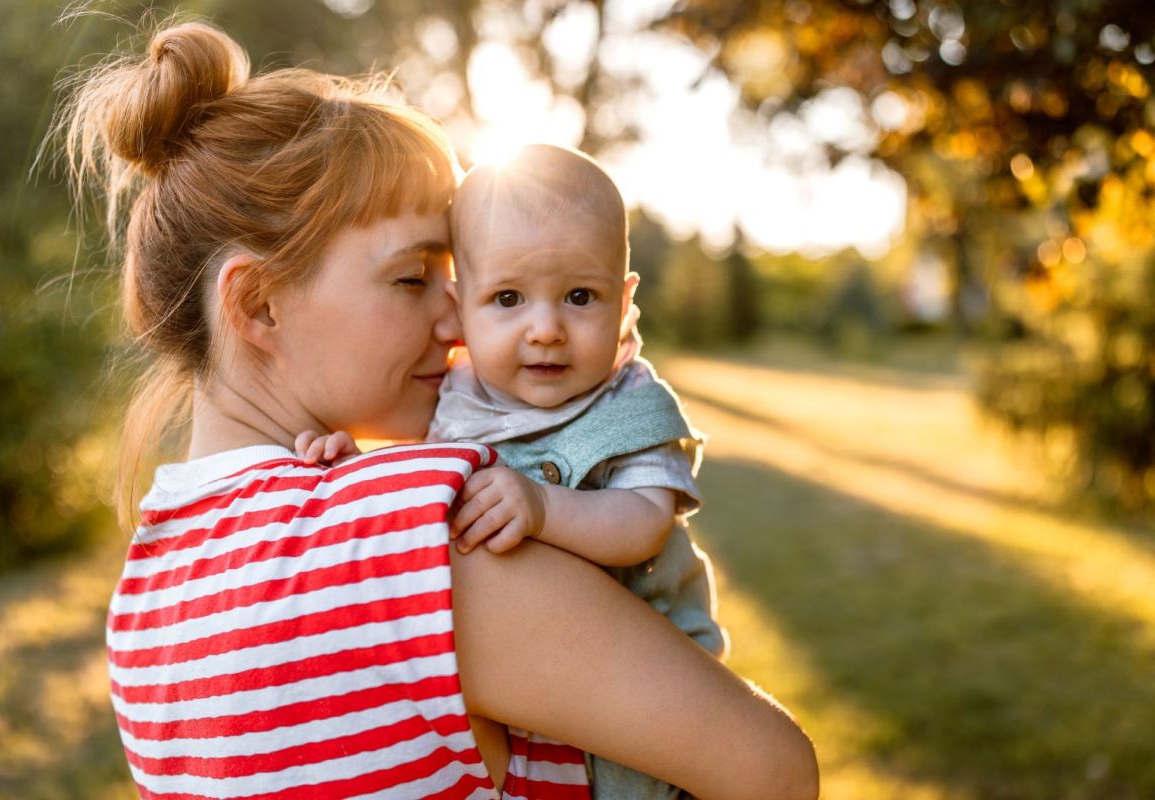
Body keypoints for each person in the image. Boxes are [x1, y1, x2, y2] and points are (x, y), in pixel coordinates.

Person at [60, 20, 818, 800]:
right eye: (411, 277)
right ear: (258, 305)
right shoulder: (434, 541)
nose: (458, 326)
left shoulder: (145, 596)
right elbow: (774, 772)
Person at [302, 144, 724, 799]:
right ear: (460, 308)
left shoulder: (628, 403)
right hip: (529, 708)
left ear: (624, 300)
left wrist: (544, 507)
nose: (547, 328)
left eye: (580, 296)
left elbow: (641, 524)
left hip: (655, 694)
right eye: (508, 298)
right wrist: (357, 468)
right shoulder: (456, 400)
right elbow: (417, 488)